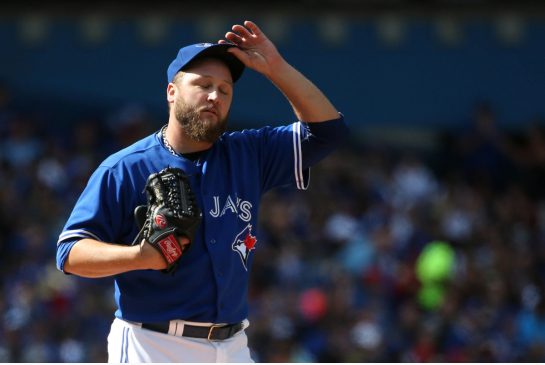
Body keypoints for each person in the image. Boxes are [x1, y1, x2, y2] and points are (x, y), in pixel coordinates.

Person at [56, 20, 349, 363]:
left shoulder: (248, 153)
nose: (215, 96)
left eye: (225, 90)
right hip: (153, 344)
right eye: (204, 84)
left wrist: (276, 69)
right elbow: (70, 253)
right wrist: (141, 257)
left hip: (233, 345)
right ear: (172, 92)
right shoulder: (126, 167)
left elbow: (328, 132)